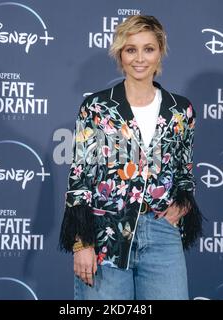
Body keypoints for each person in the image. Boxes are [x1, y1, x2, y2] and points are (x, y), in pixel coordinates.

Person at [59, 15, 203, 300]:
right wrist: (82, 243)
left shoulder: (180, 111)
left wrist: (181, 206)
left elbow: (184, 171)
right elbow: (80, 177)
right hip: (105, 235)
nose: (140, 58)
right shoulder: (98, 107)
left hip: (162, 235)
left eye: (148, 49)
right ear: (119, 54)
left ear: (160, 52)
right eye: (131, 49)